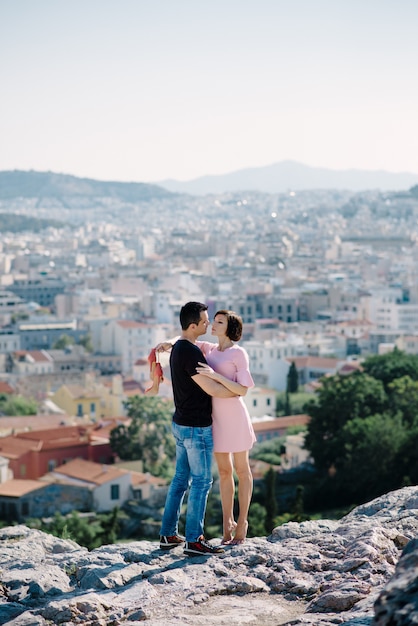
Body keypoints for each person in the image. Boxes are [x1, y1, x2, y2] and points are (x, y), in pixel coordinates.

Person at [158, 301, 238, 557]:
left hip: (180, 423)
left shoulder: (180, 348)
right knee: (202, 481)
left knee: (181, 480)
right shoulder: (190, 353)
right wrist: (238, 392)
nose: (208, 324)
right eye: (204, 321)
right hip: (195, 427)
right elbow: (211, 389)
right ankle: (195, 540)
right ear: (193, 326)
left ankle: (169, 534)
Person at [195, 310, 256, 544]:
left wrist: (215, 376)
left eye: (219, 322)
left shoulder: (238, 353)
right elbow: (183, 341)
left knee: (242, 470)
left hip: (235, 416)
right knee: (223, 472)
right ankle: (226, 523)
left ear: (229, 328)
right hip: (216, 418)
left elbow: (243, 389)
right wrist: (162, 346)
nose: (213, 324)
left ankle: (242, 522)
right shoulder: (209, 350)